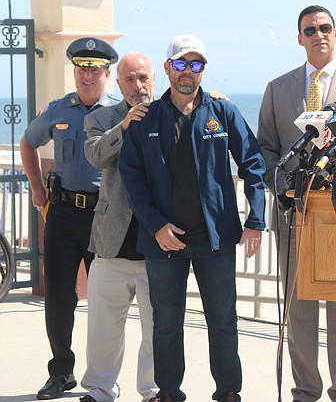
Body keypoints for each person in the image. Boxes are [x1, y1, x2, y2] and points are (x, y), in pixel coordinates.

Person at [118, 34, 266, 402]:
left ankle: (228, 391)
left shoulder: (223, 112)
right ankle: (169, 393)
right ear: (167, 68)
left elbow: (253, 164)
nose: (188, 71)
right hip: (164, 240)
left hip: (214, 240)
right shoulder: (145, 118)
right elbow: (132, 178)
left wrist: (255, 220)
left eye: (196, 64)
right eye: (181, 63)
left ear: (203, 70)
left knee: (223, 321)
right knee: (166, 324)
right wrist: (156, 225)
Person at [257, 5, 336, 402]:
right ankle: (306, 390)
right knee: (298, 305)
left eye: (325, 27)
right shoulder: (278, 89)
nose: (319, 35)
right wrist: (283, 187)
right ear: (299, 38)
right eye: (310, 30)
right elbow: (264, 147)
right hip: (293, 212)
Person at [20, 37, 120, 400]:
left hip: (104, 215)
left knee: (106, 300)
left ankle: (102, 379)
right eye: (81, 69)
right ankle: (61, 371)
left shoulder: (120, 111)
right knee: (59, 297)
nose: (87, 76)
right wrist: (36, 188)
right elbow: (28, 142)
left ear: (107, 74)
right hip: (62, 215)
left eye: (94, 70)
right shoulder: (59, 110)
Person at [79, 53, 159, 402]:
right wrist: (124, 125)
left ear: (155, 78)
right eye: (129, 79)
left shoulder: (170, 113)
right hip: (111, 242)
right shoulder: (100, 119)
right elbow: (96, 156)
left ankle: (154, 390)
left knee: (158, 329)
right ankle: (99, 389)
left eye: (143, 77)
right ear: (118, 82)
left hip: (158, 245)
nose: (137, 86)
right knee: (102, 328)